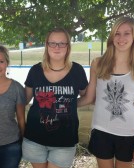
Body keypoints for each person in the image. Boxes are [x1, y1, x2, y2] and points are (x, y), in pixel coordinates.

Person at [78, 16, 134, 168]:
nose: (121, 38)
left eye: (126, 33)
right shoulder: (98, 63)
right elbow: (90, 97)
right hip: (101, 130)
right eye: (117, 33)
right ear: (112, 37)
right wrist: (66, 104)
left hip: (128, 133)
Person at [22, 27, 88, 168]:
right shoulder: (35, 70)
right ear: (47, 45)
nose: (57, 47)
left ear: (68, 46)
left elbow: (87, 97)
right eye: (53, 43)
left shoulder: (77, 71)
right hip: (35, 138)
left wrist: (70, 103)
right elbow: (24, 99)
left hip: (64, 139)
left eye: (62, 43)